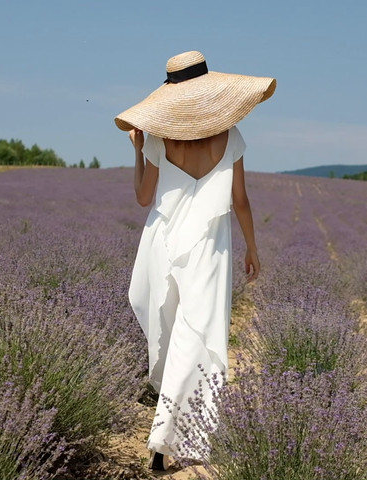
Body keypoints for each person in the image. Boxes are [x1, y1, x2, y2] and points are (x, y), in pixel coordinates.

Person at [115, 50, 275, 470]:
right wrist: (252, 247)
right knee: (195, 332)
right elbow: (240, 199)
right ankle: (170, 434)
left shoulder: (156, 137)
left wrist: (138, 151)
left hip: (162, 240)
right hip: (210, 245)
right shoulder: (231, 134)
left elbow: (144, 197)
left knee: (168, 329)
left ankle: (164, 431)